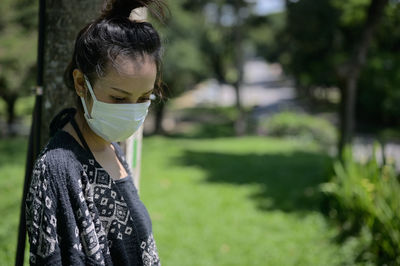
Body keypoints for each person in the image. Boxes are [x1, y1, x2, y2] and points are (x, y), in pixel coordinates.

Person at [25, 0, 168, 265]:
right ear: (81, 84)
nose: (132, 110)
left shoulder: (110, 145)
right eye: (118, 98)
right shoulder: (56, 168)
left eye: (144, 97)